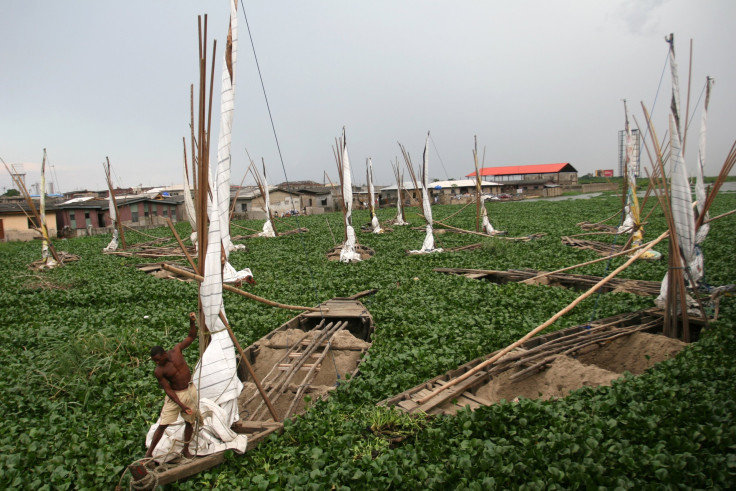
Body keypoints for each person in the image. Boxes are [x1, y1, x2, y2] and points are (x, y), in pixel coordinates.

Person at [145, 312, 199, 459]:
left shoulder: (176, 351)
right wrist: (181, 405)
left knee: (190, 422)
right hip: (176, 396)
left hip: (190, 390)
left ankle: (186, 449)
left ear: (163, 354)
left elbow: (191, 337)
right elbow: (168, 390)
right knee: (163, 424)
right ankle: (149, 454)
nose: (157, 362)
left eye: (158, 359)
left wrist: (192, 322)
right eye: (154, 361)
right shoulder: (159, 371)